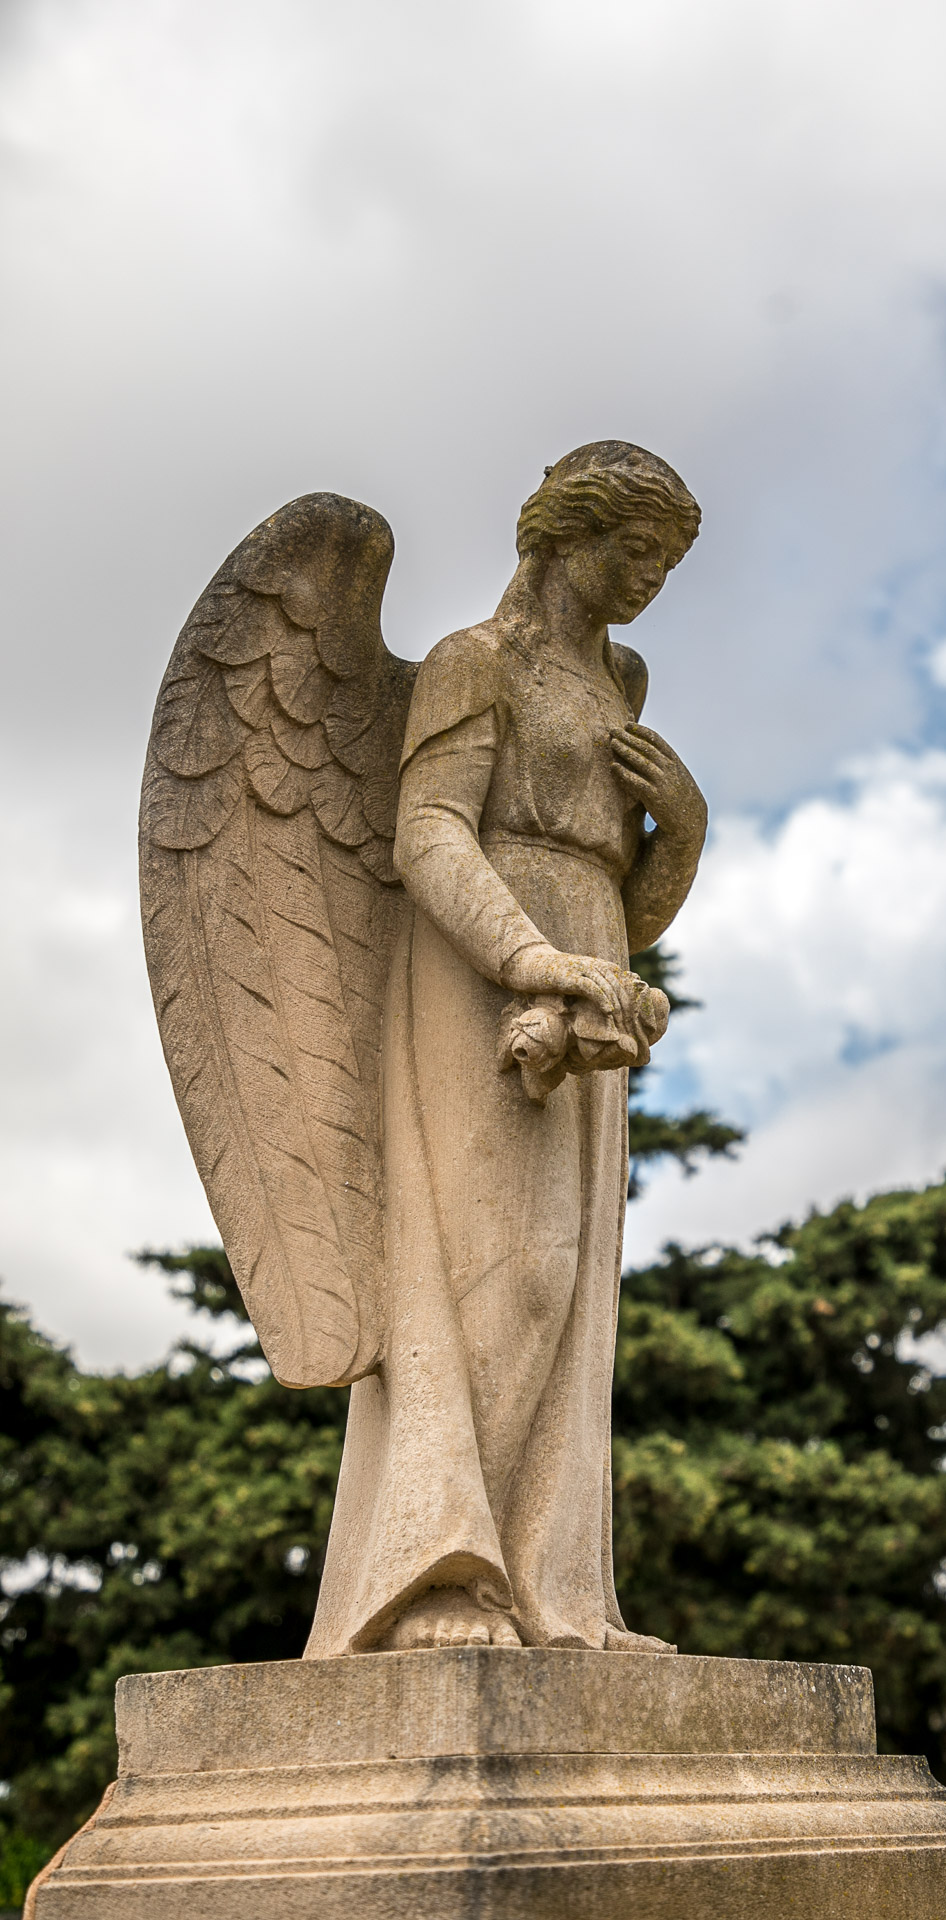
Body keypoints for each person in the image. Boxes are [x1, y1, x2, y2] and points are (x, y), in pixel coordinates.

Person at [305, 442, 707, 1655]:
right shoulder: (473, 662)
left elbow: (628, 911)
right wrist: (529, 959)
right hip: (477, 966)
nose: (646, 579)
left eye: (665, 563)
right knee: (496, 1264)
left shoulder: (618, 685)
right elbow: (426, 832)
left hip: (584, 959)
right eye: (632, 551)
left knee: (574, 1283)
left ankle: (554, 1593)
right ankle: (431, 1576)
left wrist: (683, 833)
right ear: (562, 536)